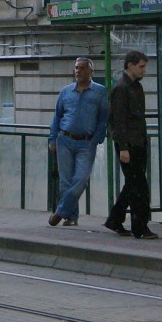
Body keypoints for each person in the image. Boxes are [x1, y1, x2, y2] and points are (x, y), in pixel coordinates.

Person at [48, 56, 110, 228]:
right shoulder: (65, 91)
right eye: (76, 67)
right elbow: (57, 116)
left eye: (82, 68)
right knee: (65, 181)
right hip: (65, 140)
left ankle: (60, 211)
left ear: (91, 71)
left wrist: (96, 139)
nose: (78, 71)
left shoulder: (100, 92)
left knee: (81, 178)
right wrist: (52, 138)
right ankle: (71, 217)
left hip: (86, 142)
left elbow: (103, 118)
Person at [106, 50, 157, 239]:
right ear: (130, 65)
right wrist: (124, 147)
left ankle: (115, 219)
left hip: (138, 142)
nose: (144, 70)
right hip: (128, 144)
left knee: (133, 183)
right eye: (141, 66)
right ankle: (140, 227)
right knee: (139, 187)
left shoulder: (136, 87)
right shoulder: (122, 88)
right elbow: (118, 120)